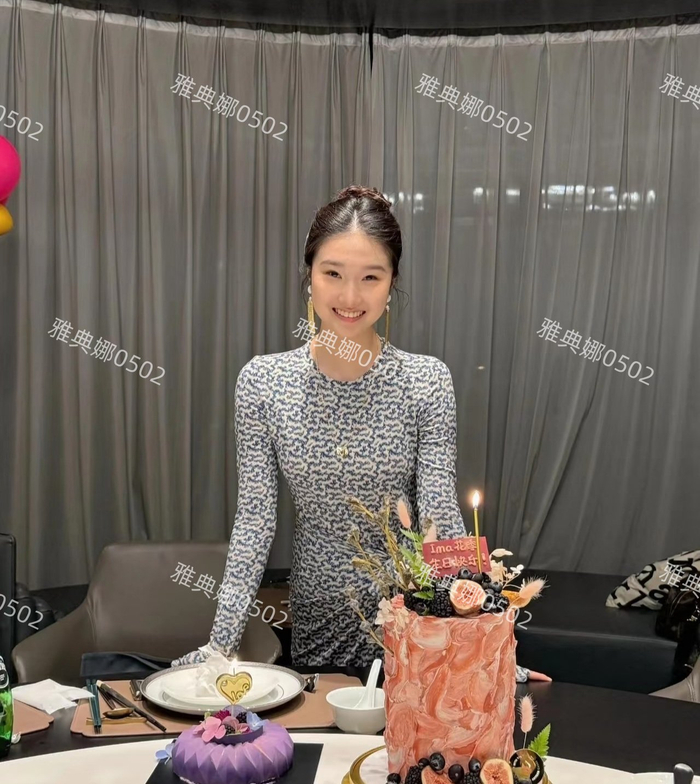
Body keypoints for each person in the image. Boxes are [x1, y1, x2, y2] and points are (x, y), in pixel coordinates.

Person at [173, 185, 550, 683]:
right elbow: (254, 522)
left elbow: (439, 516)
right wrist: (220, 647)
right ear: (309, 275)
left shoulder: (426, 381)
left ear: (392, 284)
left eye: (371, 277)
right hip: (319, 619)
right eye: (333, 274)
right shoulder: (263, 382)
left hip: (415, 619)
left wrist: (487, 650)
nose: (350, 298)